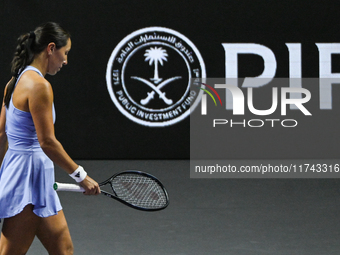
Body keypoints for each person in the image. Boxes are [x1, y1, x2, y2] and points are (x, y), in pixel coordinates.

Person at [0, 22, 100, 255]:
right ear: (51, 48)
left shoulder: (14, 82)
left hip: (26, 174)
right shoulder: (39, 87)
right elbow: (47, 142)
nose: (66, 61)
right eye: (65, 53)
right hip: (29, 180)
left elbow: (1, 133)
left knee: (63, 250)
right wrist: (81, 176)